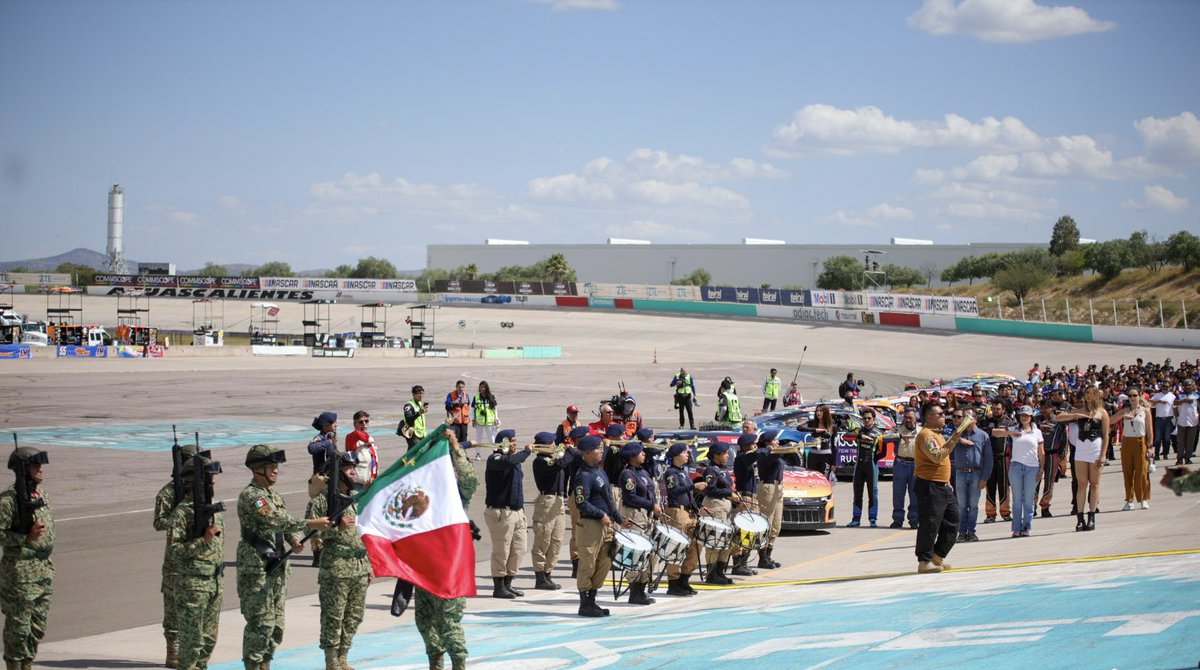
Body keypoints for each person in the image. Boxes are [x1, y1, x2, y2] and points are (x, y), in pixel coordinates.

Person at [237, 444, 332, 669]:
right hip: (258, 569)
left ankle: (265, 664)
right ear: (257, 469)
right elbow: (275, 520)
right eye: (271, 466)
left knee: (275, 626)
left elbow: (284, 523)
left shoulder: (274, 496)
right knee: (261, 623)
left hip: (277, 566)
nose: (276, 470)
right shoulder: (252, 496)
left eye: (276, 466)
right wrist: (312, 523)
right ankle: (253, 665)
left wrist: (294, 540)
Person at [415, 428, 476, 670]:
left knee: (448, 621)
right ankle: (435, 663)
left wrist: (455, 447)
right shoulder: (421, 491)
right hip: (424, 566)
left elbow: (470, 480)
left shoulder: (455, 493)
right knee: (424, 620)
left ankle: (458, 664)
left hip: (449, 567)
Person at [307, 452, 369, 670]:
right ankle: (331, 660)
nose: (353, 471)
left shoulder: (356, 497)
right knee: (334, 616)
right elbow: (312, 533)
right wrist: (336, 528)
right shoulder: (322, 500)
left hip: (359, 566)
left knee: (354, 615)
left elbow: (364, 532)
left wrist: (369, 565)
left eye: (354, 467)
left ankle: (343, 656)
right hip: (336, 569)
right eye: (348, 468)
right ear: (337, 473)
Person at [166, 454, 224, 670]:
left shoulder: (212, 510)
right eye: (210, 479)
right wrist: (202, 541)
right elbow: (174, 553)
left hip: (213, 582)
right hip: (192, 586)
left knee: (208, 641)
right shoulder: (181, 514)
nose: (214, 482)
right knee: (192, 644)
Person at [0, 447, 53, 670]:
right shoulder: (9, 500)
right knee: (19, 626)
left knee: (37, 626)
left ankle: (27, 664)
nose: (41, 469)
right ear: (23, 469)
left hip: (42, 568)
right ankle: (14, 665)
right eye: (35, 466)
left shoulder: (40, 494)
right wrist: (24, 537)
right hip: (20, 571)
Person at [153, 441, 201, 667]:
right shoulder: (169, 491)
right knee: (172, 606)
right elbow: (159, 522)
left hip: (197, 554)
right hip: (176, 557)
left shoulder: (201, 491)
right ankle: (173, 648)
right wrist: (180, 516)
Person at [573, 435, 624, 617]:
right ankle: (585, 602)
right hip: (590, 526)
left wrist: (619, 519)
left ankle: (592, 599)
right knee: (588, 563)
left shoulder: (599, 471)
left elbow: (608, 499)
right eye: (597, 449)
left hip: (606, 525)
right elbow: (581, 503)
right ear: (587, 453)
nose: (601, 451)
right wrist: (600, 514)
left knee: (605, 561)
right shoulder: (583, 476)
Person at [914, 404, 964, 574]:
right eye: (940, 414)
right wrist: (954, 440)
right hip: (930, 485)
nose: (944, 416)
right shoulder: (926, 435)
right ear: (929, 417)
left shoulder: (938, 434)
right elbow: (937, 457)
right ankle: (924, 561)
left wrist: (946, 480)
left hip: (943, 485)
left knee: (953, 520)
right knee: (930, 524)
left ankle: (937, 556)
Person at [484, 429, 531, 599]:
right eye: (511, 441)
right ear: (502, 443)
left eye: (515, 440)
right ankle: (498, 587)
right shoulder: (495, 459)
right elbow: (509, 462)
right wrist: (527, 452)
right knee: (501, 551)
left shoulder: (514, 460)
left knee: (519, 549)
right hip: (501, 512)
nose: (514, 443)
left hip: (516, 512)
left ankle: (508, 583)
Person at [1058, 386, 1110, 531]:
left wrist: (1103, 455)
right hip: (1081, 447)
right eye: (1087, 393)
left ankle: (1091, 516)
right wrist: (1076, 415)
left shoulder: (1102, 412)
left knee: (1094, 484)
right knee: (1081, 484)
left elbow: (1106, 435)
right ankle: (1080, 518)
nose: (1089, 396)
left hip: (1096, 447)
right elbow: (1058, 417)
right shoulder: (1079, 410)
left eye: (1092, 393)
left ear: (1097, 395)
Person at [617, 441, 658, 604]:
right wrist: (651, 505)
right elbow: (630, 497)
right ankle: (634, 590)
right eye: (641, 452)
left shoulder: (643, 471)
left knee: (648, 553)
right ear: (632, 456)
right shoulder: (627, 474)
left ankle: (642, 587)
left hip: (647, 515)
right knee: (635, 552)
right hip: (634, 514)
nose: (644, 454)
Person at [993, 406, 1044, 537]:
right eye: (1022, 415)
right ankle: (1016, 528)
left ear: (1031, 417)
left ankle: (1026, 527)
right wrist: (1010, 433)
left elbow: (1041, 452)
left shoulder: (1037, 432)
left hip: (1032, 467)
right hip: (1016, 466)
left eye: (1027, 415)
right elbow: (995, 432)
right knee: (1017, 500)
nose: (1024, 417)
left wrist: (1041, 468)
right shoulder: (1014, 428)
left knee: (1028, 500)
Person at [663, 442, 705, 596]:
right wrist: (694, 486)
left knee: (695, 545)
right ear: (676, 455)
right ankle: (673, 582)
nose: (687, 455)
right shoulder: (671, 473)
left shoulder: (683, 472)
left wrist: (697, 507)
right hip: (677, 512)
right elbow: (674, 491)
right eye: (684, 453)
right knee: (676, 547)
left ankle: (684, 579)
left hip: (689, 512)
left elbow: (688, 495)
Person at [529, 432, 566, 591]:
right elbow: (559, 465)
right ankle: (540, 576)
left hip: (558, 500)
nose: (554, 445)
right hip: (547, 501)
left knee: (556, 540)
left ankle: (548, 573)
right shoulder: (540, 461)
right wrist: (569, 452)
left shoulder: (551, 459)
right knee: (543, 538)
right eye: (551, 443)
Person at [701, 442, 739, 585]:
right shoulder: (711, 470)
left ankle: (720, 572)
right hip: (715, 505)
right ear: (717, 455)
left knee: (726, 542)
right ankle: (711, 574)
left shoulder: (722, 469)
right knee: (715, 541)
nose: (727, 456)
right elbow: (710, 489)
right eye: (725, 453)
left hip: (726, 507)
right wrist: (728, 493)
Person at [951, 408, 991, 542]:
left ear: (975, 419)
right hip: (961, 473)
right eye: (964, 417)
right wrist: (959, 439)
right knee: (962, 505)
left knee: (973, 506)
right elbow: (944, 438)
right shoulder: (957, 433)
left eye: (968, 417)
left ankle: (972, 532)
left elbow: (988, 458)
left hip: (976, 474)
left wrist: (985, 477)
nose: (965, 420)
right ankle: (962, 533)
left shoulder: (983, 435)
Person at [1112, 386, 1153, 510]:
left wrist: (1150, 446)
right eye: (1130, 395)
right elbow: (1110, 420)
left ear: (1139, 396)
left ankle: (1143, 499)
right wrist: (1122, 416)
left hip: (1140, 442)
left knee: (1142, 472)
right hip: (1127, 443)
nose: (1132, 398)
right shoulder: (1124, 410)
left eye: (1134, 395)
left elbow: (1149, 429)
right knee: (1128, 472)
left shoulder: (1145, 411)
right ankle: (1129, 500)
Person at [306, 412, 338, 567]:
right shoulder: (319, 439)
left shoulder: (331, 437)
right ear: (326, 425)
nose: (336, 425)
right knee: (317, 515)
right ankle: (317, 552)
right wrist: (328, 442)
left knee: (331, 514)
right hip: (320, 480)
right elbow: (311, 448)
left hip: (331, 480)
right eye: (334, 422)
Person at [846, 408, 884, 528]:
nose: (866, 420)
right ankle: (856, 519)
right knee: (857, 492)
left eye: (869, 418)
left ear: (874, 419)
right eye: (864, 418)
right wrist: (860, 436)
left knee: (872, 493)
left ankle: (872, 519)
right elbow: (846, 436)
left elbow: (883, 452)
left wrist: (874, 460)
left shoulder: (879, 433)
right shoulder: (859, 430)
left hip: (871, 465)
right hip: (859, 464)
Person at [730, 432, 760, 577]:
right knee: (740, 531)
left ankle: (744, 563)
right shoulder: (742, 457)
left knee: (750, 532)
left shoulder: (748, 457)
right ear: (746, 445)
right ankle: (737, 564)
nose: (755, 446)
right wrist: (767, 448)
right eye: (753, 443)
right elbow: (756, 455)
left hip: (752, 497)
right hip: (744, 496)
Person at [979, 402, 1013, 524]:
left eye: (998, 408)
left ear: (1003, 409)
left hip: (1003, 458)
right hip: (989, 459)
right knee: (990, 486)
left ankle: (1005, 512)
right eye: (993, 408)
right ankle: (990, 514)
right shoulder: (986, 421)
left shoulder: (1009, 422)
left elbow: (1013, 439)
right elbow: (983, 432)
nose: (995, 411)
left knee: (1004, 486)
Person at [755, 430, 785, 569]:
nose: (778, 442)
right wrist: (785, 448)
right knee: (766, 523)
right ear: (767, 442)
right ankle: (762, 558)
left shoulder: (774, 452)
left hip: (778, 487)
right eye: (775, 439)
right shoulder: (765, 454)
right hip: (768, 487)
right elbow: (775, 455)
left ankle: (768, 555)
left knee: (776, 525)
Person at [890, 408, 920, 530]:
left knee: (915, 494)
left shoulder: (921, 431)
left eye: (910, 417)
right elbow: (885, 437)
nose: (908, 420)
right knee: (898, 493)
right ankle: (897, 519)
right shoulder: (898, 429)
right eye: (906, 417)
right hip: (900, 464)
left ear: (915, 418)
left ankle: (914, 519)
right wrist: (900, 436)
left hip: (915, 465)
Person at [344, 410, 377, 485]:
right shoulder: (352, 438)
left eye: (366, 421)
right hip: (357, 483)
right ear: (355, 424)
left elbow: (373, 460)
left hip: (369, 482)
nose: (364, 424)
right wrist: (366, 439)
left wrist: (373, 475)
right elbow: (356, 433)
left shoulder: (370, 439)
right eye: (361, 422)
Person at [472, 381, 500, 460]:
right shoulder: (476, 397)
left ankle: (495, 453)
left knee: (491, 438)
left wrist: (496, 418)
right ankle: (478, 454)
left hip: (489, 421)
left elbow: (495, 409)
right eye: (481, 387)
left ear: (486, 388)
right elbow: (473, 409)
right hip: (479, 421)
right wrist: (473, 419)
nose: (482, 389)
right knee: (478, 438)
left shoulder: (491, 396)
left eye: (484, 387)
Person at [1174, 378, 1199, 464]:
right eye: (1186, 385)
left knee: (1190, 443)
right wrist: (1184, 401)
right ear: (1183, 386)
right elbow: (1175, 403)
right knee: (1180, 443)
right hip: (1182, 422)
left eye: (1189, 385)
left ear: (1192, 386)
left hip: (1193, 422)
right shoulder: (1179, 395)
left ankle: (1188, 458)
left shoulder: (1197, 395)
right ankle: (1179, 459)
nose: (1188, 386)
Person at [1150, 383, 1176, 461]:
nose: (1165, 388)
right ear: (1161, 387)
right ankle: (1157, 455)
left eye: (1167, 387)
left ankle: (1165, 454)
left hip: (1169, 419)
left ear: (1170, 387)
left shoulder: (1172, 396)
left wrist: (1176, 418)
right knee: (1158, 439)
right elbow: (1150, 402)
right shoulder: (1157, 395)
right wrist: (1160, 401)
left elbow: (1175, 407)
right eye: (1164, 386)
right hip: (1159, 419)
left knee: (1167, 439)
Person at [401, 385, 430, 450]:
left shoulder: (420, 404)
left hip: (421, 434)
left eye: (422, 393)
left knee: (417, 453)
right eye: (418, 393)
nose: (421, 395)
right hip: (413, 434)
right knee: (415, 452)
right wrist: (419, 413)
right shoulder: (409, 405)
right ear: (413, 394)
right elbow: (408, 419)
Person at [444, 380, 472, 444]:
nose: (461, 388)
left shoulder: (466, 395)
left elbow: (468, 405)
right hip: (455, 420)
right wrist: (454, 403)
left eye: (462, 387)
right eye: (459, 387)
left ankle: (463, 449)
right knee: (456, 437)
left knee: (464, 436)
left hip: (464, 420)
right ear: (456, 387)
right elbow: (447, 405)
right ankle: (456, 449)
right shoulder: (451, 395)